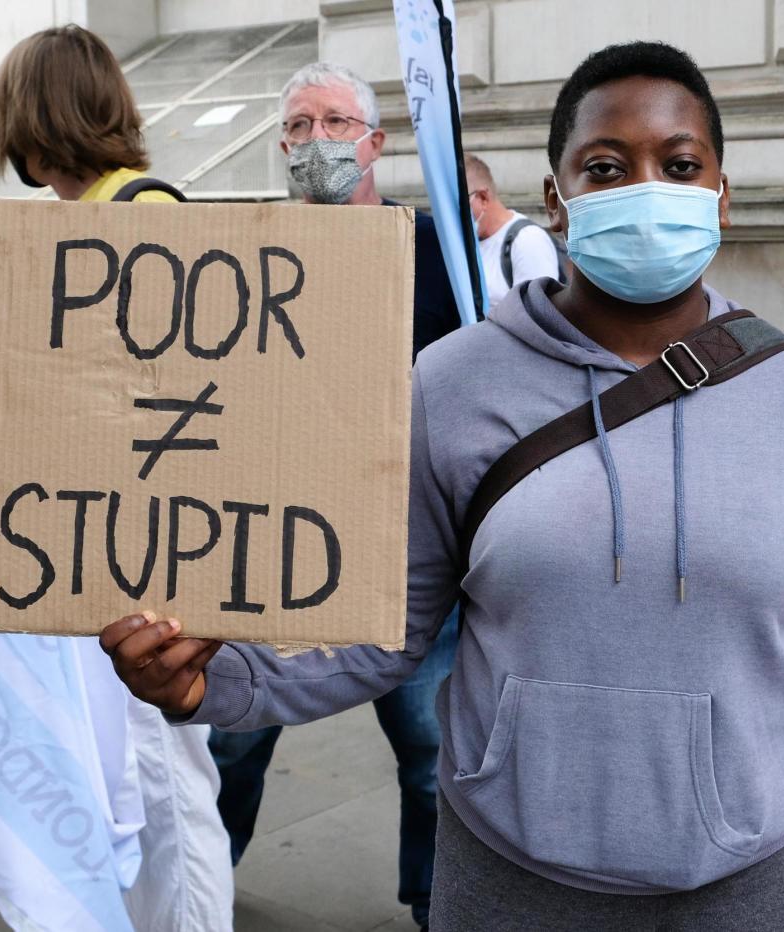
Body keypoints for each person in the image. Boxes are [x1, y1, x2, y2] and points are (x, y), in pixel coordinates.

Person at [101, 41, 784, 931]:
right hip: (509, 885)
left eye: (679, 165)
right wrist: (211, 686)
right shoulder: (452, 383)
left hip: (761, 887)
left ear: (720, 194)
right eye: (606, 167)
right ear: (557, 199)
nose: (644, 188)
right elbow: (384, 633)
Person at [0, 24, 234, 932]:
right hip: (107, 566)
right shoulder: (92, 220)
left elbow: (162, 398)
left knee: (164, 799)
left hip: (142, 577)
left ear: (34, 120)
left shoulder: (139, 216)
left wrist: (17, 369)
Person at [204, 61, 460, 930]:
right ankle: (195, 894)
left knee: (429, 746)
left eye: (337, 123)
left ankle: (434, 902)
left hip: (404, 550)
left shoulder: (436, 254)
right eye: (299, 126)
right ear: (281, 145)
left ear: (377, 142)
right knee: (232, 735)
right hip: (275, 541)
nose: (317, 141)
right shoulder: (252, 250)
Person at [465, 153, 563, 306]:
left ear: (483, 198)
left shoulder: (528, 240)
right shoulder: (469, 243)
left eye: (458, 205)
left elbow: (537, 315)